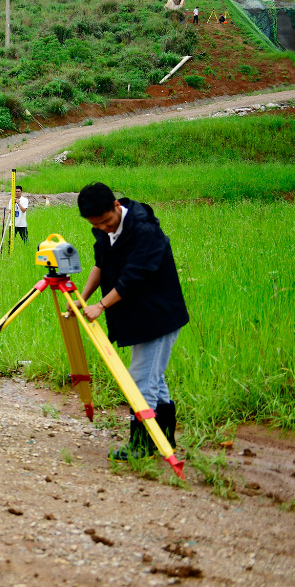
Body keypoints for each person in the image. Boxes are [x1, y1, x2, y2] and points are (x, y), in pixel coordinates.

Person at [77, 182, 189, 460]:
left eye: (106, 222)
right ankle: (165, 441)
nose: (104, 228)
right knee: (154, 379)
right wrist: (84, 297)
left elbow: (132, 279)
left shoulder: (145, 231)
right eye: (97, 225)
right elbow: (100, 265)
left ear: (117, 206)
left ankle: (141, 445)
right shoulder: (104, 229)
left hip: (158, 315)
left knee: (141, 381)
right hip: (139, 316)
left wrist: (100, 306)